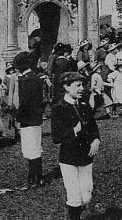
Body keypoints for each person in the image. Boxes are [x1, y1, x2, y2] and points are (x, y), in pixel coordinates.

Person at [52, 71, 101, 220]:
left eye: (82, 85)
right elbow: (56, 137)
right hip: (69, 158)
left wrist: (96, 140)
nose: (81, 89)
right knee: (74, 196)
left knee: (86, 195)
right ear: (67, 87)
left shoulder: (84, 105)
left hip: (86, 156)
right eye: (77, 85)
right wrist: (74, 130)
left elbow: (94, 127)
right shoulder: (59, 108)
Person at [16, 51, 47, 187]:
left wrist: (18, 118)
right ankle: (37, 176)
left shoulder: (25, 80)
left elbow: (24, 102)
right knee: (36, 147)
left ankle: (34, 176)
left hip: (27, 118)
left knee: (29, 148)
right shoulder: (36, 78)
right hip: (36, 117)